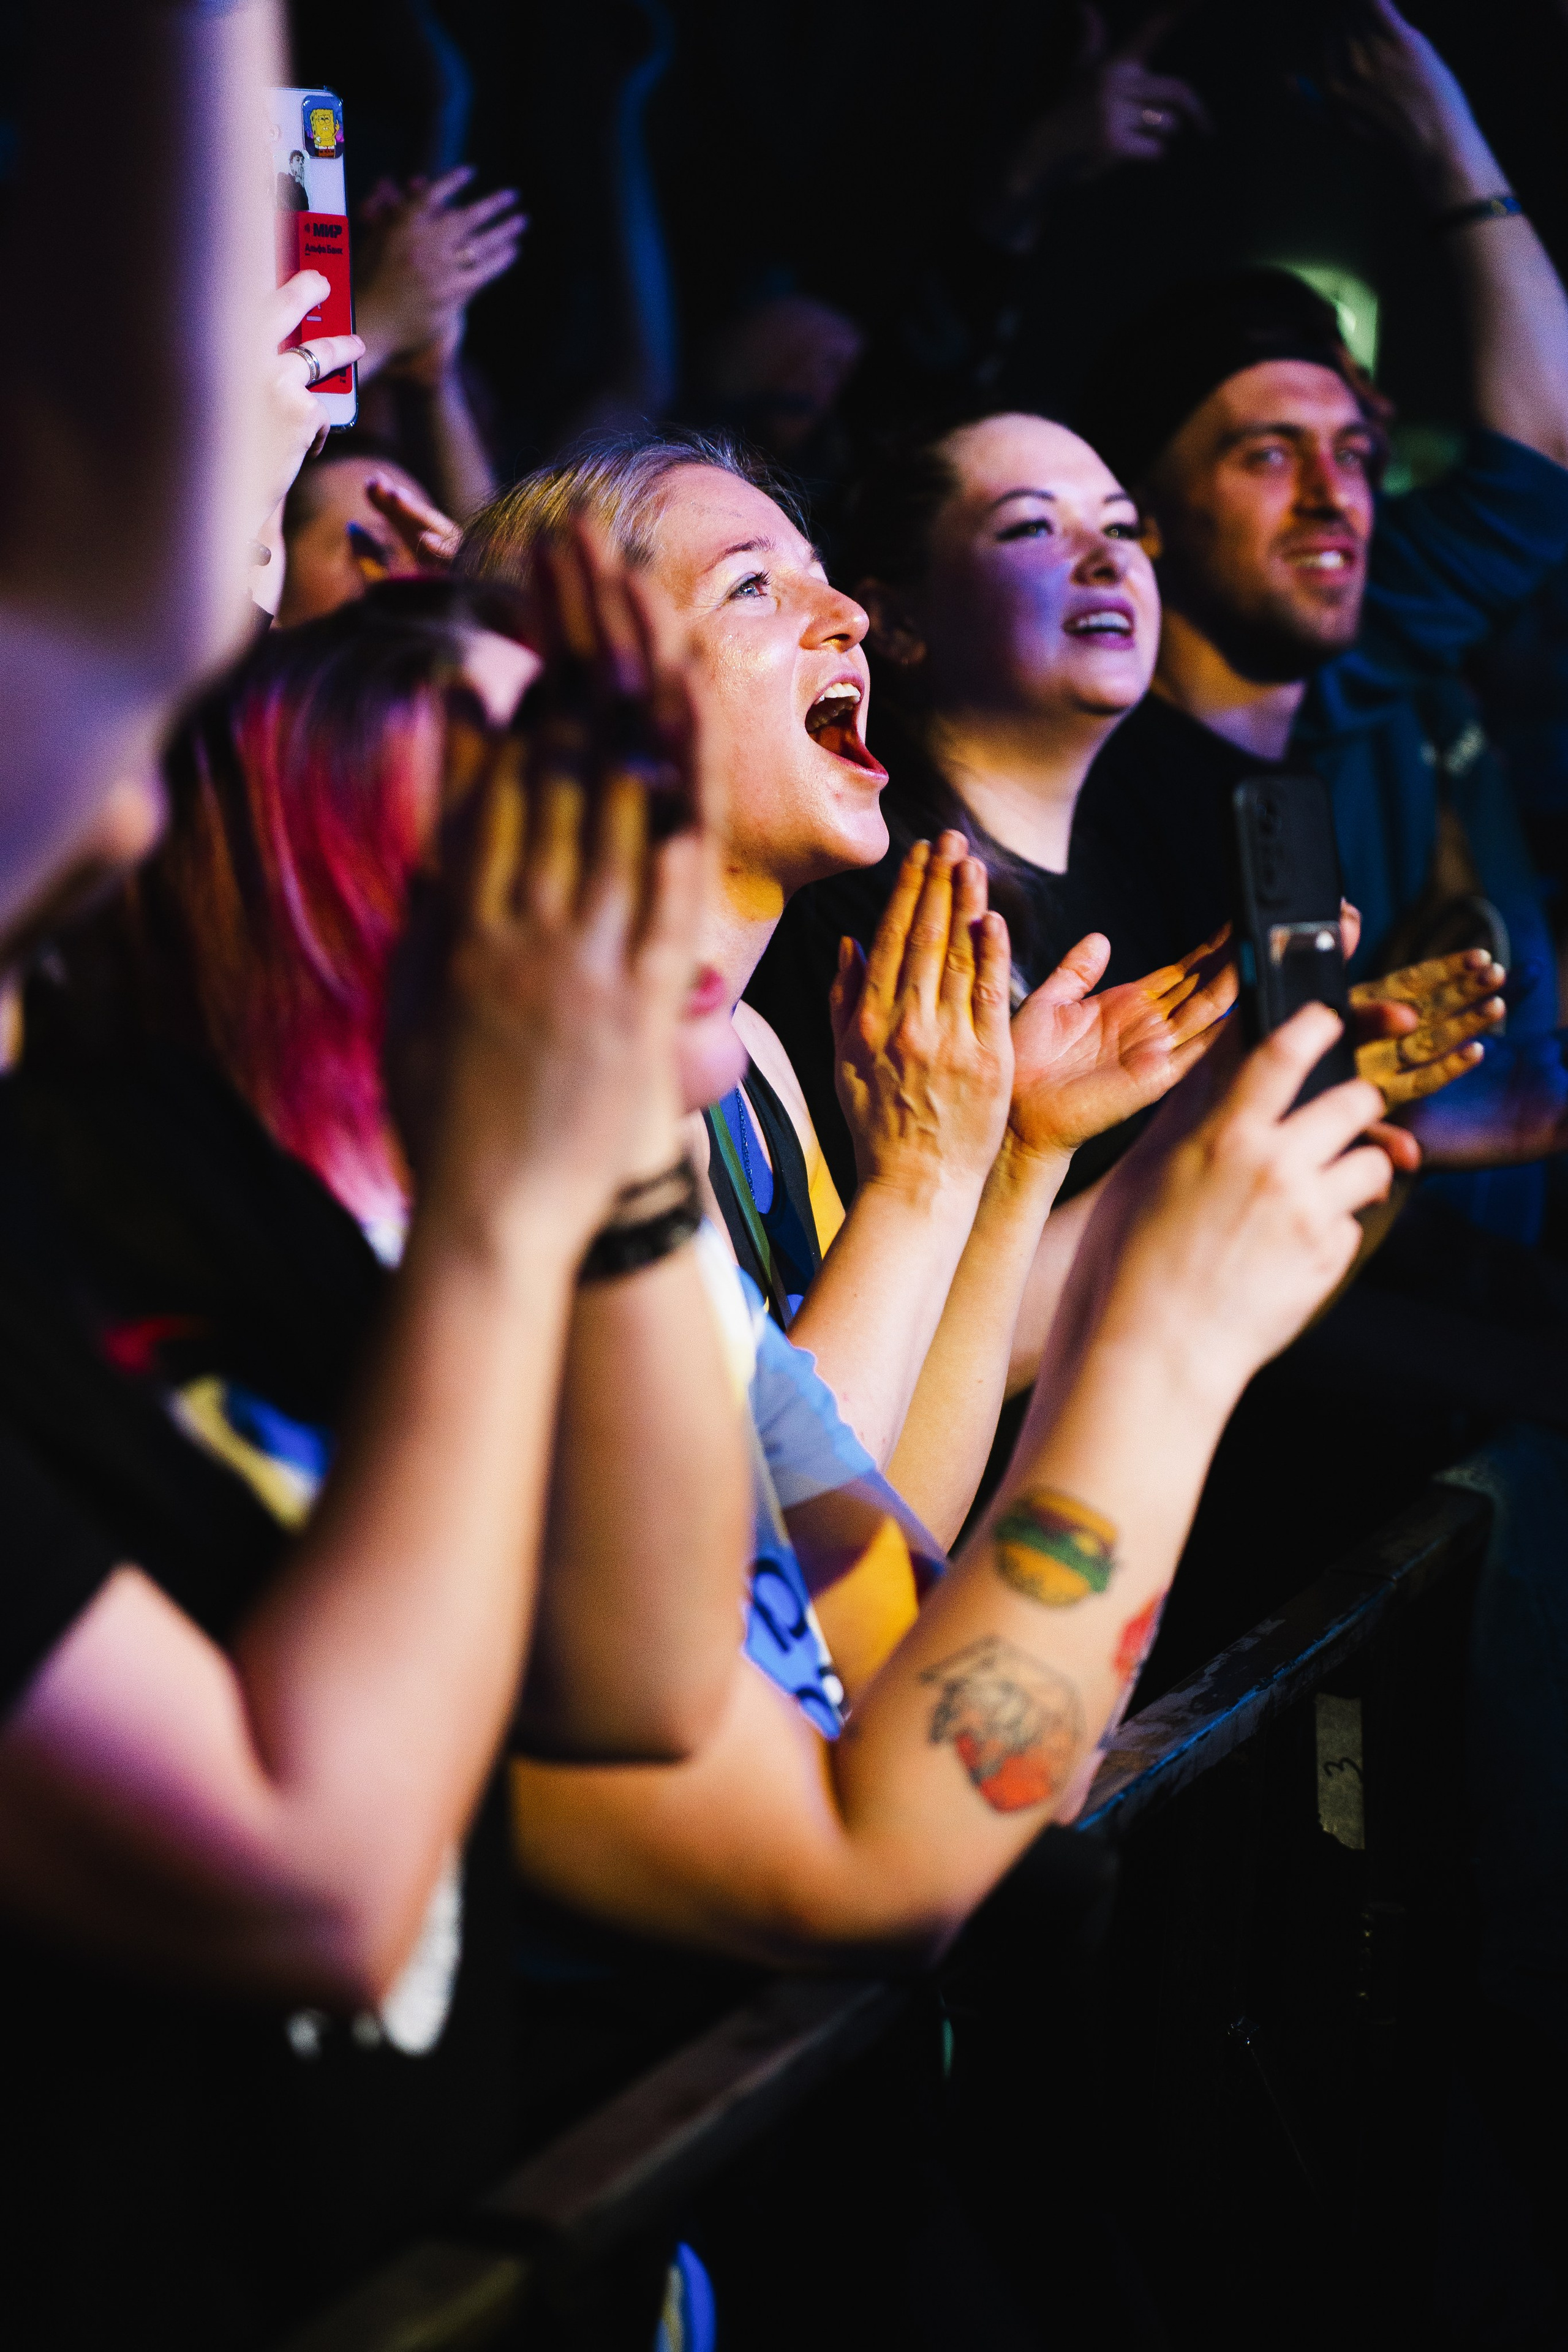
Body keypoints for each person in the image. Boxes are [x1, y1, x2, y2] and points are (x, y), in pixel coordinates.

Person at [0, 536, 753, 2345]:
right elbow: (316, 1881)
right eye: (522, 817)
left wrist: (623, 1091)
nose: (594, 860)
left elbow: (640, 1677)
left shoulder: (144, 1164)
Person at [1071, 0, 1568, 1243]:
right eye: (1264, 452)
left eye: (1353, 452)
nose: (1331, 493)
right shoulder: (1093, 783)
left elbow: (1539, 466)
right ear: (1148, 518)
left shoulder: (1327, 700)